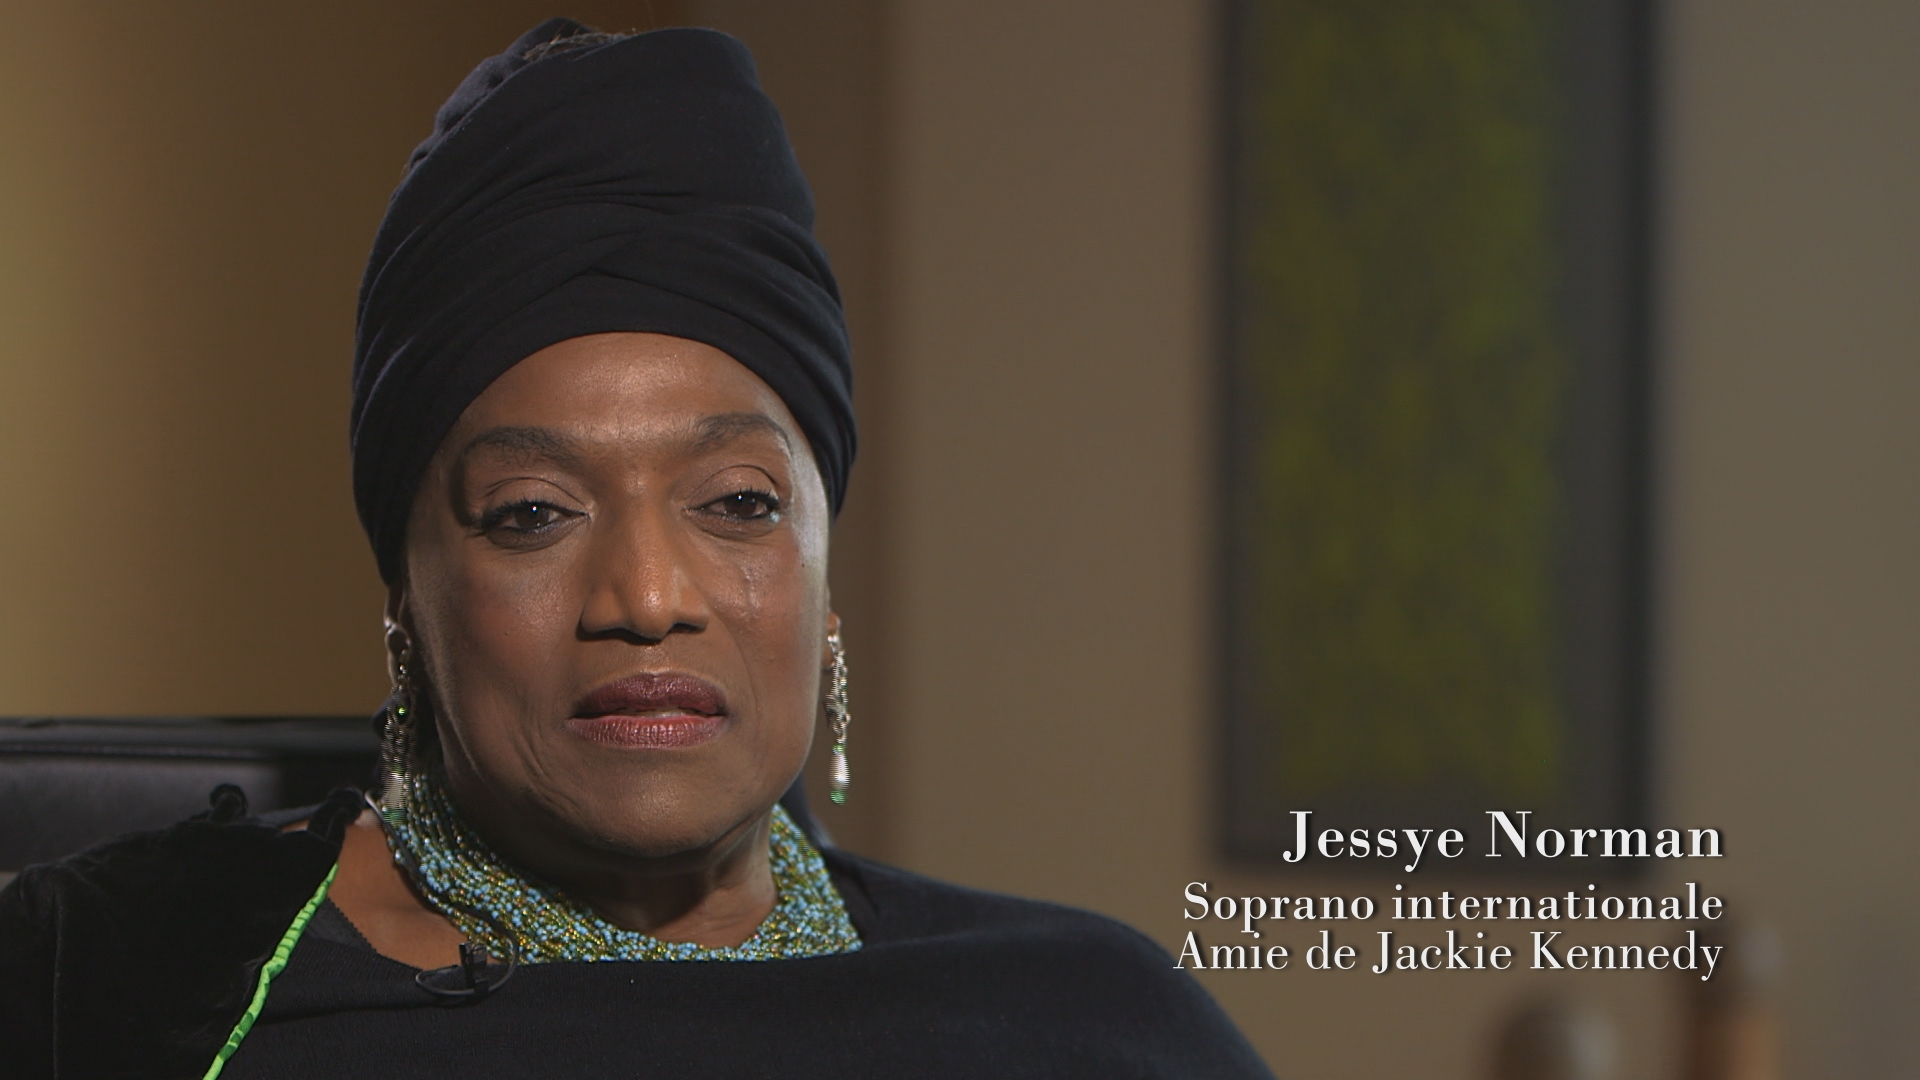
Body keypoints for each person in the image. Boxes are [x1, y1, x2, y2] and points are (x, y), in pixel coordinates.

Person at [0, 21, 1272, 1079]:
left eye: (739, 503)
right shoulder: (105, 996)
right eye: (532, 513)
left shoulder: (1092, 1022)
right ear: (407, 602)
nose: (649, 597)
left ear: (826, 581)